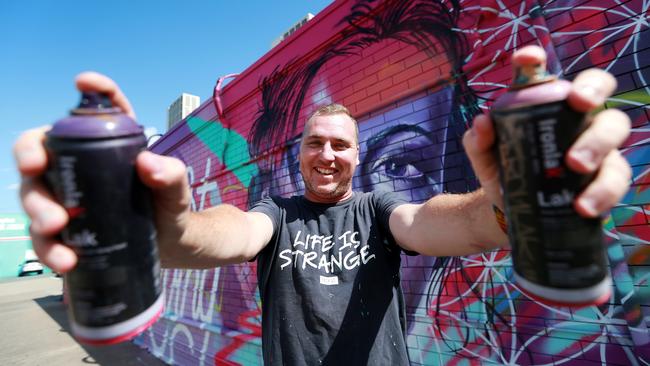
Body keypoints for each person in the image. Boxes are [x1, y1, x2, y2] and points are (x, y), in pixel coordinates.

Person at [14, 46, 631, 365]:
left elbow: (446, 223)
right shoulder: (274, 212)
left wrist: (509, 208)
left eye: (341, 145)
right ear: (299, 153)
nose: (328, 155)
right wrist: (161, 227)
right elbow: (223, 234)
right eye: (316, 144)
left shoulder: (380, 209)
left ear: (357, 157)